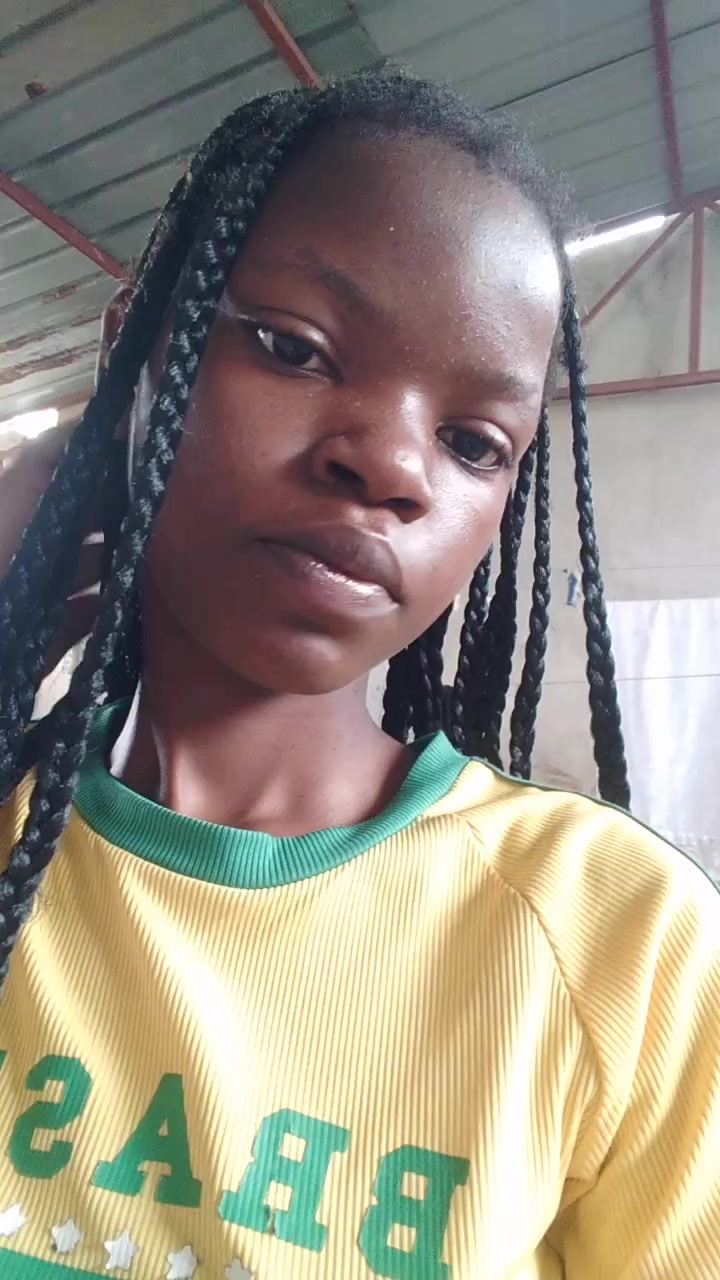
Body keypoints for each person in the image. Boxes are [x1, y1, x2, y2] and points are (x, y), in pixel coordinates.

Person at [0, 72, 717, 1280]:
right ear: (137, 347)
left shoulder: (621, 939)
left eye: (473, 441)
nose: (391, 464)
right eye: (295, 347)